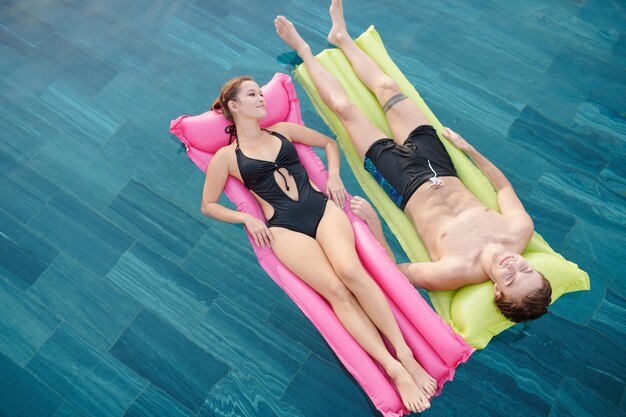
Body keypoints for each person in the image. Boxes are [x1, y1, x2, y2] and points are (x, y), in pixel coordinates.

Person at [274, 0, 551, 324]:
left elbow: (394, 274)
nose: (513, 265)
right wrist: (470, 149)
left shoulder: (454, 271)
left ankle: (304, 50)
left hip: (401, 180)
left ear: (497, 293)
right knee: (388, 87)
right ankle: (341, 36)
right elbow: (503, 185)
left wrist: (375, 226)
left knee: (345, 108)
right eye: (526, 267)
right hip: (440, 164)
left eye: (511, 279)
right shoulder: (520, 229)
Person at [201, 74, 437, 412]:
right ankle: (393, 368)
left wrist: (334, 175)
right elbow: (207, 205)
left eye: (260, 92)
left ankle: (406, 355)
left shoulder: (282, 129)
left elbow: (328, 142)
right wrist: (246, 218)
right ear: (234, 106)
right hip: (284, 228)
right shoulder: (225, 158)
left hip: (321, 208)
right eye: (252, 94)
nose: (260, 98)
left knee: (351, 272)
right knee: (336, 291)